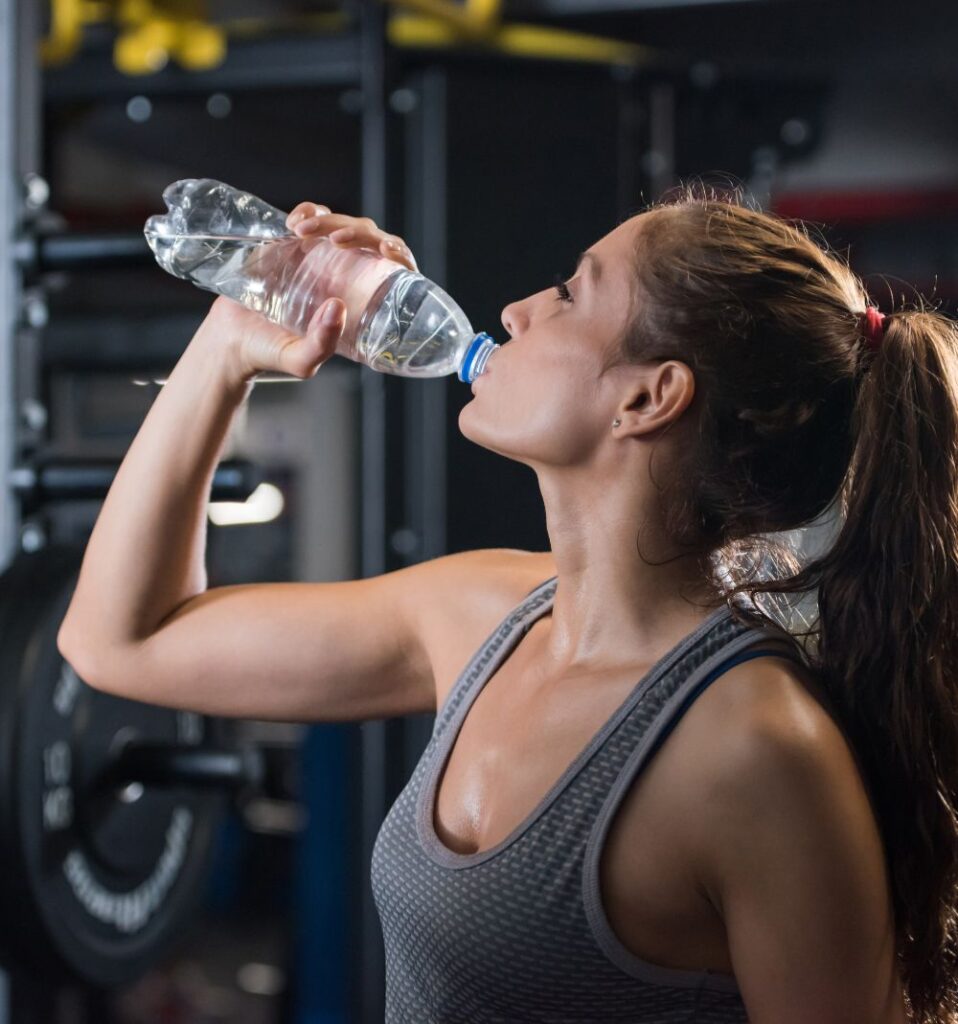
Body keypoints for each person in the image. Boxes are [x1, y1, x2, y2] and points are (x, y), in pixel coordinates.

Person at [60, 183, 958, 1023]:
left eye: (571, 293)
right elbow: (122, 640)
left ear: (650, 396)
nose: (516, 311)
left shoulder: (756, 753)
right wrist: (228, 348)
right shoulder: (486, 614)